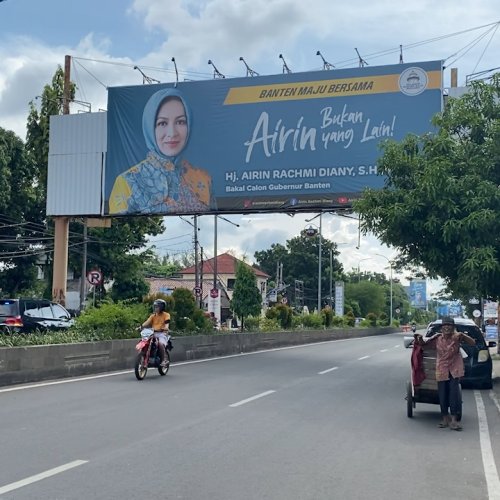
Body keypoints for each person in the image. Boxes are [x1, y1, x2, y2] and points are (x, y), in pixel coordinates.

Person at [109, 88, 212, 214]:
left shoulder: (204, 179)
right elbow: (118, 226)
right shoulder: (127, 181)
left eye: (180, 122)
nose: (172, 133)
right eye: (162, 123)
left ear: (189, 125)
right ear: (149, 128)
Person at [414, 316, 475, 431]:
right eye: (445, 326)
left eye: (449, 325)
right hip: (441, 369)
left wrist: (463, 336)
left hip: (454, 369)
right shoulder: (437, 338)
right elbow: (424, 345)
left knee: (453, 393)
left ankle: (454, 420)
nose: (447, 327)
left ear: (453, 328)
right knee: (442, 394)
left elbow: (472, 343)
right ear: (441, 328)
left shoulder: (457, 337)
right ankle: (444, 418)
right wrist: (419, 339)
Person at [141, 299, 171, 367]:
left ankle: (164, 360)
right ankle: (144, 356)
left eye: (157, 307)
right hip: (152, 333)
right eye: (155, 307)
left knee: (160, 344)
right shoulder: (153, 316)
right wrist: (141, 327)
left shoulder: (166, 315)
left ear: (162, 307)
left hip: (162, 333)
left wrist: (166, 328)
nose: (155, 308)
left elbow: (167, 324)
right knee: (145, 341)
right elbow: (147, 322)